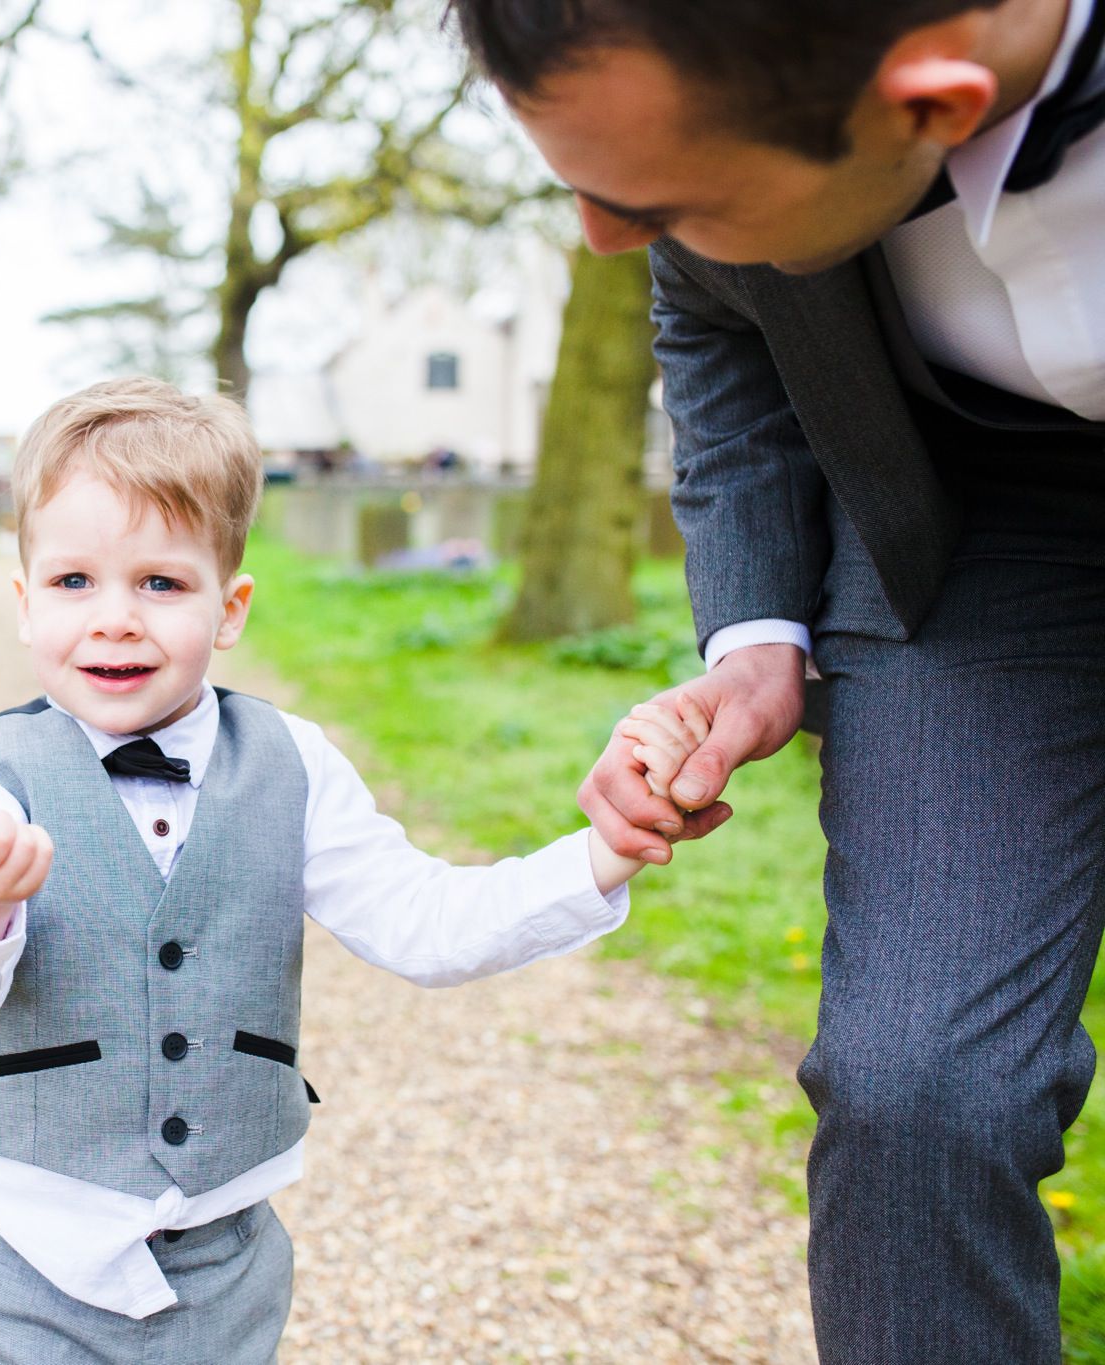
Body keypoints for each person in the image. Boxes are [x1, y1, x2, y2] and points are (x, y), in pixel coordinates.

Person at [447, 1, 1105, 1359]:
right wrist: (755, 644)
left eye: (666, 198)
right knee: (918, 1084)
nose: (604, 241)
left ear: (933, 107)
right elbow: (717, 308)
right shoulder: (753, 125)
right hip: (973, 534)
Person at [0, 377, 699, 1362]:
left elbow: (422, 922)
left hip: (224, 1261)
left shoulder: (293, 764)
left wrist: (603, 853)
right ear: (23, 603)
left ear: (228, 610)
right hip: (21, 1247)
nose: (114, 619)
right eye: (72, 582)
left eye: (159, 583)